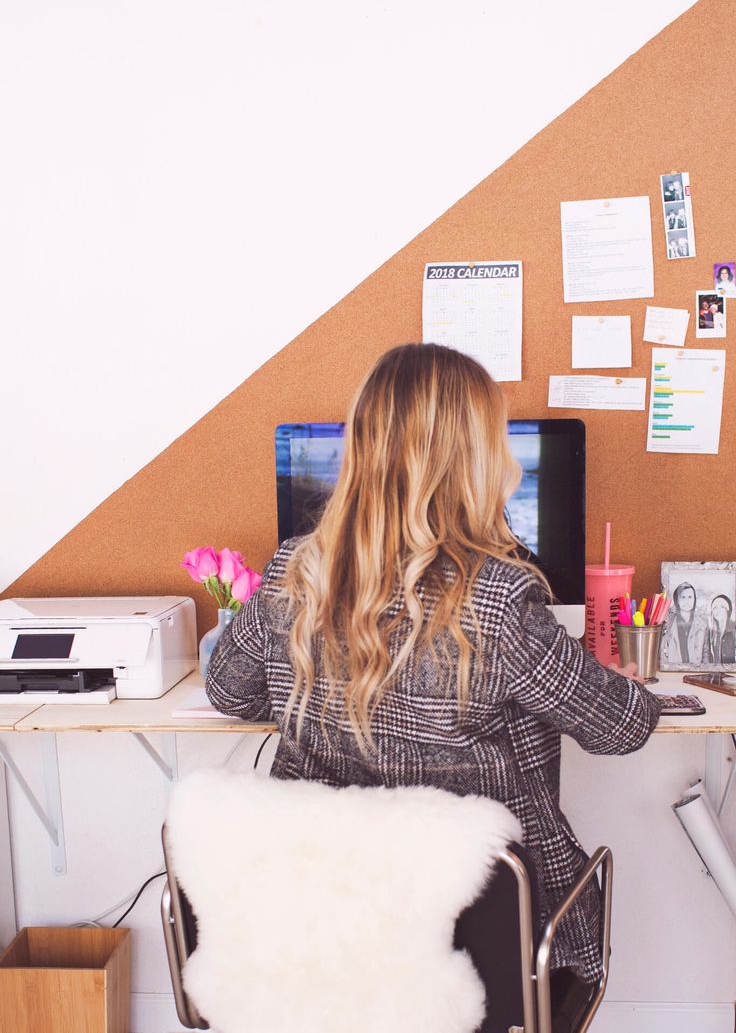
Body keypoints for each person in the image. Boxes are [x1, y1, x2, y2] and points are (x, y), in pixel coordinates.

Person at [206, 343, 661, 1009]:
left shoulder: (291, 575)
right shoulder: (499, 601)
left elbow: (227, 690)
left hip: (328, 954)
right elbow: (626, 726)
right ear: (475, 461)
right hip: (490, 968)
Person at [662, 582, 707, 665]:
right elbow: (663, 649)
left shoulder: (702, 625)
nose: (687, 601)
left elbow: (705, 654)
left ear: (694, 599)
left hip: (695, 671)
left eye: (690, 597)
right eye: (683, 597)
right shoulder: (668, 622)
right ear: (677, 600)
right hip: (673, 670)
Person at [705, 595, 736, 665]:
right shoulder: (710, 632)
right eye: (715, 608)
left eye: (722, 607)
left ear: (728, 610)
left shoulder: (734, 629)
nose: (718, 611)